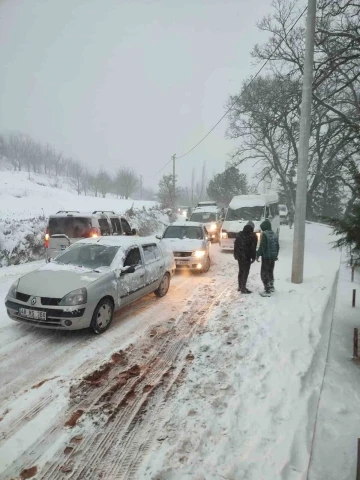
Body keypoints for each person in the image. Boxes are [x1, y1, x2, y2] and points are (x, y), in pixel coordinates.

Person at [256, 219, 279, 297]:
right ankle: (271, 286)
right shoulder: (274, 234)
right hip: (272, 257)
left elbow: (262, 246)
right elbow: (277, 246)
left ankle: (267, 290)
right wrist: (275, 256)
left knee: (264, 273)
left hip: (266, 257)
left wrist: (258, 254)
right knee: (270, 272)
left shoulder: (265, 234)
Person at [234, 222, 257, 294]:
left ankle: (240, 287)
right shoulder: (253, 236)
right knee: (245, 272)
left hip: (240, 255)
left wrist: (235, 254)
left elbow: (236, 245)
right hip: (247, 256)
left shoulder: (239, 234)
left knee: (241, 270)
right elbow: (253, 248)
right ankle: (243, 288)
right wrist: (253, 257)